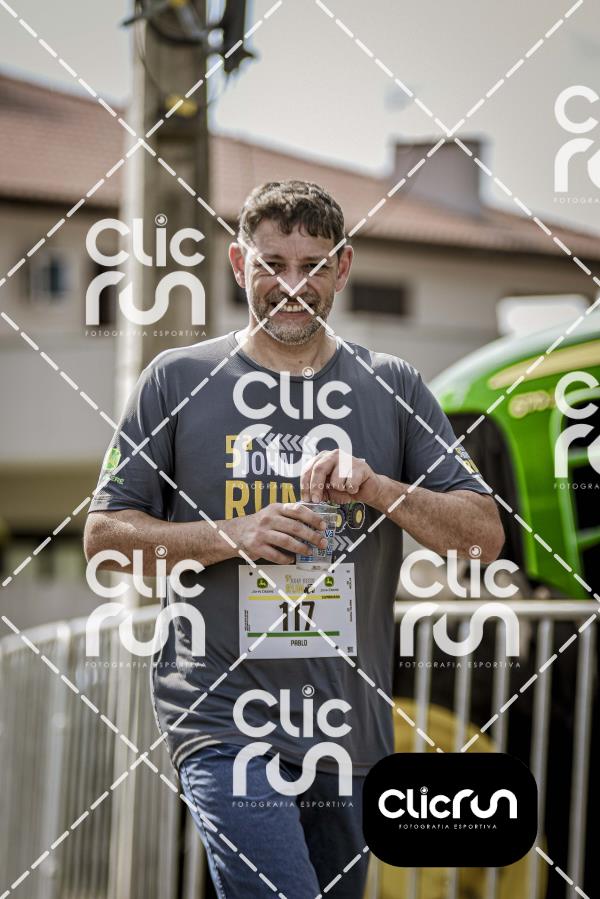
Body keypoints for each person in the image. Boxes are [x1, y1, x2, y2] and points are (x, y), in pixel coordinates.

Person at [83, 180, 504, 898]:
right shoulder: (177, 379)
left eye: (313, 266)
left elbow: (483, 537)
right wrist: (232, 534)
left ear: (343, 268)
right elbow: (104, 538)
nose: (292, 285)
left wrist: (380, 490)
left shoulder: (393, 386)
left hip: (347, 731)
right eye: (272, 264)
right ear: (238, 265)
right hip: (220, 719)